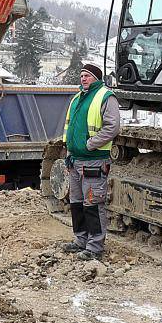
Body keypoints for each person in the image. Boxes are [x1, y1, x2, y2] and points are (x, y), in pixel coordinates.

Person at [58, 63, 121, 261]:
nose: (83, 78)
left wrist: (90, 145)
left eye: (87, 75)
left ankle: (95, 247)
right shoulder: (77, 98)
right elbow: (69, 127)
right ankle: (80, 240)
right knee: (77, 203)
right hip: (75, 160)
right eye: (81, 75)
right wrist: (69, 150)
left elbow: (112, 127)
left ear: (96, 78)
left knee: (93, 204)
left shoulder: (105, 96)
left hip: (93, 161)